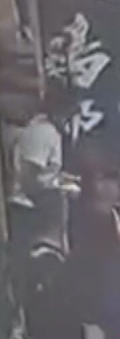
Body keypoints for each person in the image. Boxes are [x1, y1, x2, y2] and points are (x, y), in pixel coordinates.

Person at [68, 146, 120, 339]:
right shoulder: (95, 217)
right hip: (108, 297)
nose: (115, 186)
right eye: (107, 180)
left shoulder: (107, 213)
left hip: (114, 294)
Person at [7, 82, 75, 258]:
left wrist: (64, 180)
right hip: (27, 208)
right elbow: (28, 172)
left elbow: (45, 172)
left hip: (36, 205)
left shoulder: (51, 132)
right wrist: (50, 192)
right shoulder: (44, 132)